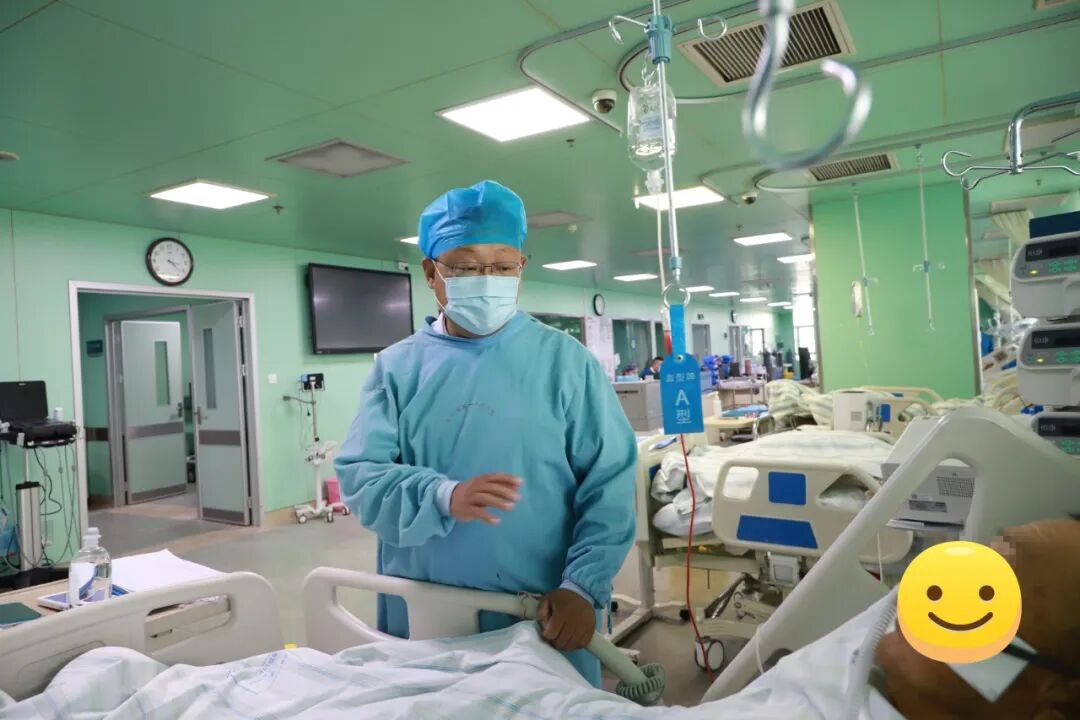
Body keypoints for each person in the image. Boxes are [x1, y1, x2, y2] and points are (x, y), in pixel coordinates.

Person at [334, 179, 637, 686]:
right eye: (466, 267)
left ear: (521, 268)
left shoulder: (565, 363)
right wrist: (441, 497)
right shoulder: (398, 369)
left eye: (502, 266)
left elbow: (610, 483)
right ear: (431, 273)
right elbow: (361, 476)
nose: (486, 279)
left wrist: (583, 587)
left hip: (543, 612)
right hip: (427, 613)